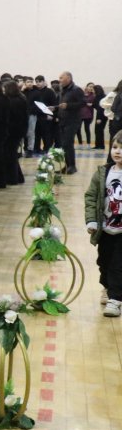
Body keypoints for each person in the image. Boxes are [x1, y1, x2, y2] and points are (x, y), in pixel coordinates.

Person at [85, 135, 122, 317]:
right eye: (115, 147)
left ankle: (116, 300)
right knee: (104, 262)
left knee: (118, 264)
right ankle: (107, 287)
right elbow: (91, 197)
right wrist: (91, 220)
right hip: (106, 229)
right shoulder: (103, 173)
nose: (118, 151)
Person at [56, 71, 85, 174]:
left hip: (72, 120)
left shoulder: (76, 90)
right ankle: (67, 165)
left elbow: (82, 103)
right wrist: (54, 109)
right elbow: (61, 104)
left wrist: (68, 106)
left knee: (67, 143)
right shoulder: (62, 90)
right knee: (64, 145)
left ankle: (72, 166)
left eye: (61, 78)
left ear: (68, 78)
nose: (59, 80)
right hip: (63, 120)